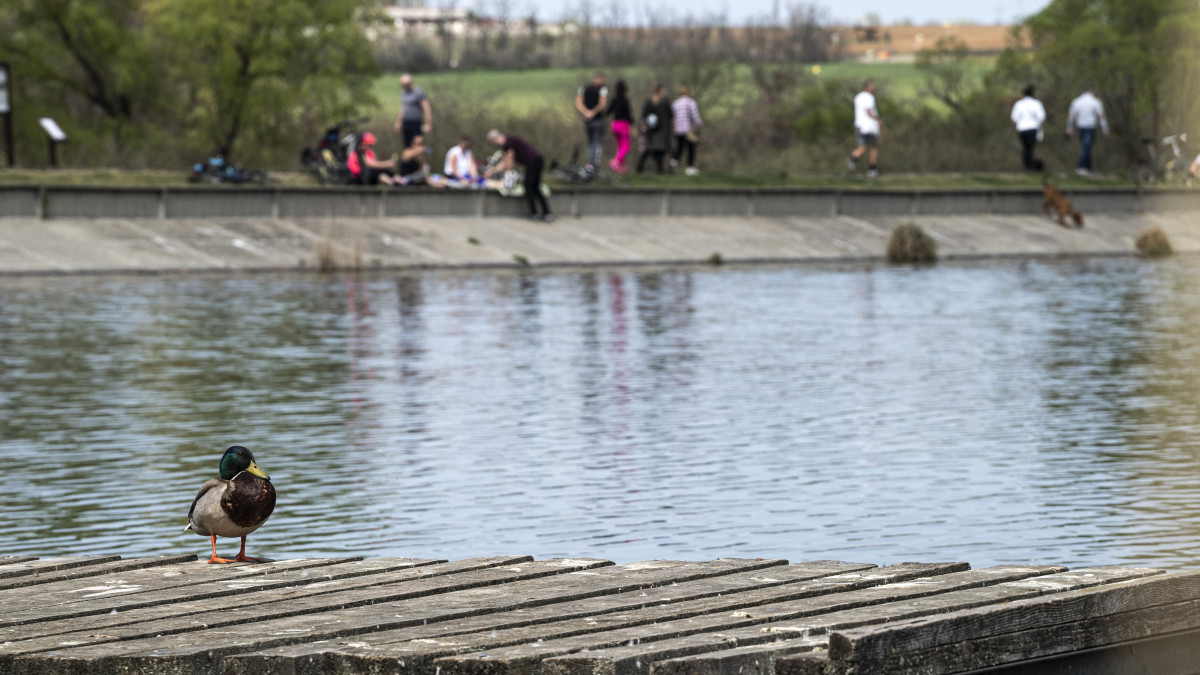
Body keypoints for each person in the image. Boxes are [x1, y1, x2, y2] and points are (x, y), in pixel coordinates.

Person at [486, 129, 553, 222]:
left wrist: (508, 175)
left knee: (528, 186)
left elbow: (509, 160)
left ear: (494, 139)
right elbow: (504, 162)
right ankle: (547, 214)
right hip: (537, 160)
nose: (494, 144)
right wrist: (492, 172)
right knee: (535, 188)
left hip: (533, 162)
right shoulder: (509, 142)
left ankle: (534, 213)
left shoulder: (508, 142)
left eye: (492, 142)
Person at [1066, 85, 1109, 175]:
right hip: (1090, 127)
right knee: (1086, 147)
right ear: (1092, 91)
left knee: (1086, 146)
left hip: (1080, 127)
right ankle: (1080, 167)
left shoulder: (1076, 101)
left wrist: (1069, 128)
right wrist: (1105, 128)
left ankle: (1089, 168)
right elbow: (1101, 116)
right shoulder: (1096, 102)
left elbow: (1071, 116)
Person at [848, 80, 883, 177]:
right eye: (873, 87)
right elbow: (868, 111)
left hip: (859, 125)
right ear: (868, 87)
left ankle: (852, 161)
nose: (874, 88)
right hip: (869, 126)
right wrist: (878, 121)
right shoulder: (869, 97)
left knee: (862, 147)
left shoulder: (858, 97)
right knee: (873, 147)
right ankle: (872, 169)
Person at [574, 72, 608, 170]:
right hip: (597, 119)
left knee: (590, 142)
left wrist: (585, 112)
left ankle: (589, 164)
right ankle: (594, 164)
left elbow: (578, 102)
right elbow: (602, 103)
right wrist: (592, 113)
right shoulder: (603, 89)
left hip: (587, 120)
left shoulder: (584, 88)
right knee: (597, 142)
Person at [637, 83, 673, 174]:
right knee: (660, 149)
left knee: (649, 149)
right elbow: (671, 114)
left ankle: (640, 167)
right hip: (662, 129)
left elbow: (643, 115)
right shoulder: (665, 101)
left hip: (650, 129)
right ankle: (659, 168)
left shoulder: (648, 101)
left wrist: (643, 127)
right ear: (661, 90)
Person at [1011, 85, 1046, 172]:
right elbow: (1041, 116)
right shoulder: (1037, 103)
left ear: (1023, 94)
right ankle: (1029, 166)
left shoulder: (1019, 104)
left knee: (1026, 148)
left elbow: (1014, 117)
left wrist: (1020, 122)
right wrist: (1035, 122)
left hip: (1021, 129)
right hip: (1033, 128)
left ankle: (1026, 166)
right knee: (1030, 148)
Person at [393, 73, 432, 148]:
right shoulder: (403, 92)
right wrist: (398, 122)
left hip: (416, 122)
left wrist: (428, 124)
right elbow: (403, 108)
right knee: (407, 146)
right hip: (406, 122)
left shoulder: (419, 92)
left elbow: (426, 108)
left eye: (406, 85)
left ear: (411, 83)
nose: (404, 87)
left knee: (417, 145)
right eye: (403, 85)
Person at [671, 86, 702, 176]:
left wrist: (674, 127)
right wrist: (698, 124)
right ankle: (690, 168)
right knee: (691, 149)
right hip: (689, 130)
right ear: (688, 93)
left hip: (678, 130)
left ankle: (673, 162)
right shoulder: (690, 102)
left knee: (679, 147)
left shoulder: (675, 104)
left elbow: (672, 117)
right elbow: (695, 115)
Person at [606, 80, 634, 174]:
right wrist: (633, 124)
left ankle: (622, 168)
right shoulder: (625, 100)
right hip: (623, 125)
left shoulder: (614, 100)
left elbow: (608, 112)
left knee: (620, 147)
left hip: (614, 125)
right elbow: (628, 114)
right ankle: (616, 161)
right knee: (626, 147)